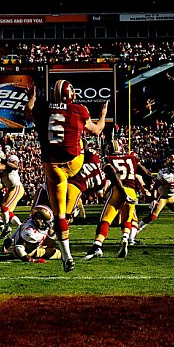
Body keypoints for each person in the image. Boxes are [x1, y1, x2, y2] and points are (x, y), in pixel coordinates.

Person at [26, 78, 108, 273]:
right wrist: (103, 115)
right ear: (70, 94)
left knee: (59, 214)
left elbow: (28, 113)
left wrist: (32, 98)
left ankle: (67, 256)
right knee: (82, 147)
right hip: (73, 162)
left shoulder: (43, 108)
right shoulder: (79, 109)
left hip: (52, 166)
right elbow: (97, 130)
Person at [84, 137, 154, 261]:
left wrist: (121, 192)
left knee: (105, 220)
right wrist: (150, 183)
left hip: (119, 189)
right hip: (132, 191)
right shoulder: (131, 158)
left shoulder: (108, 159)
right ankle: (125, 238)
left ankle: (97, 246)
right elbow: (146, 173)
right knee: (127, 219)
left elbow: (114, 175)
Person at [136, 154, 174, 240]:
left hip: (172, 197)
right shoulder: (164, 174)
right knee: (152, 216)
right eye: (172, 164)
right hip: (162, 197)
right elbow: (155, 187)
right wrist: (154, 199)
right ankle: (136, 230)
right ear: (168, 165)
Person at [0, 153, 26, 232]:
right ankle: (21, 227)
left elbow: (15, 166)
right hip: (11, 189)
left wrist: (3, 160)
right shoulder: (4, 167)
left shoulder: (11, 166)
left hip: (17, 188)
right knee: (8, 212)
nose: (15, 163)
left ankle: (6, 227)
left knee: (4, 207)